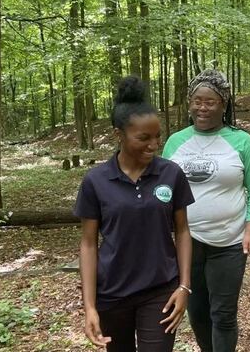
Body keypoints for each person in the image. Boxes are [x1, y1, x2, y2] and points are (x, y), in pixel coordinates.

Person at [75, 76, 195, 352]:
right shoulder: (96, 181)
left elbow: (183, 231)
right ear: (118, 135)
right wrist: (90, 307)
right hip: (112, 295)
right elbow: (88, 244)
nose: (154, 144)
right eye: (144, 138)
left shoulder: (171, 174)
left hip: (161, 290)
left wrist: (184, 286)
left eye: (157, 137)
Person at [162, 69, 250, 352]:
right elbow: (164, 191)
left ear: (224, 104)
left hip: (230, 242)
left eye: (210, 102)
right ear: (189, 103)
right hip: (187, 242)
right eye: (197, 101)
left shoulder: (243, 142)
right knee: (197, 312)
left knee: (223, 314)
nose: (202, 107)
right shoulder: (175, 142)